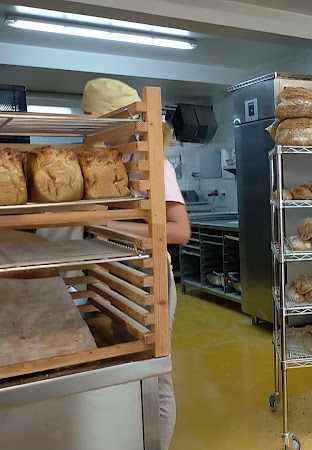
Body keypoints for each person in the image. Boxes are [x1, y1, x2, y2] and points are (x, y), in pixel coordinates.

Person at [82, 78, 190, 449]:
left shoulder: (154, 164)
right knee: (126, 370)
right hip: (116, 279)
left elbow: (180, 231)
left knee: (156, 374)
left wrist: (108, 225)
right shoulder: (113, 163)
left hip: (149, 282)